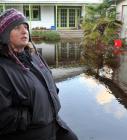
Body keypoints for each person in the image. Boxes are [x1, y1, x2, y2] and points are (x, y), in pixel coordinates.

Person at [0, 8, 78, 140]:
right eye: (17, 27)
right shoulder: (2, 68)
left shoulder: (33, 55)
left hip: (54, 122)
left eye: (25, 26)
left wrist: (51, 98)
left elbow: (49, 80)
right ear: (5, 35)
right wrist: (34, 115)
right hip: (31, 132)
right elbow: (3, 117)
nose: (24, 31)